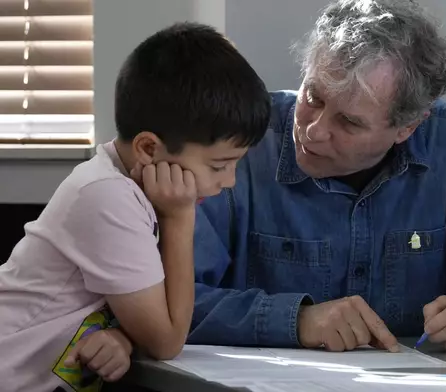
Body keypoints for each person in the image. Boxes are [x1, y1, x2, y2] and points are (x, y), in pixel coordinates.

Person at [189, 0, 446, 354]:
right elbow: (168, 303)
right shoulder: (239, 146)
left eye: (349, 122)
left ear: (407, 127)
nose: (313, 131)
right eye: (314, 98)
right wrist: (296, 320)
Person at [0, 22, 270, 392]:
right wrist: (180, 218)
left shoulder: (129, 186)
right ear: (148, 148)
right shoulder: (107, 197)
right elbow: (167, 341)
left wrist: (123, 339)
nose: (229, 182)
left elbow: (137, 311)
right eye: (219, 165)